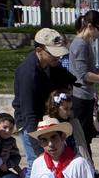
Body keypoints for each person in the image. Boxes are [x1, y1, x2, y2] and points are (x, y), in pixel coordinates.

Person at [12, 27, 76, 165]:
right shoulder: (28, 73)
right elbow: (29, 113)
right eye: (53, 53)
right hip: (29, 123)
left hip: (45, 119)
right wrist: (38, 148)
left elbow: (69, 77)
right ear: (39, 51)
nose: (58, 57)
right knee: (36, 163)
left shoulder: (50, 63)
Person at [67, 9, 99, 166]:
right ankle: (87, 168)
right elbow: (84, 75)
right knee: (83, 137)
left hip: (86, 95)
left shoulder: (86, 43)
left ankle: (89, 167)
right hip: (80, 96)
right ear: (90, 26)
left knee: (87, 136)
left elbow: (90, 70)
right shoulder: (80, 44)